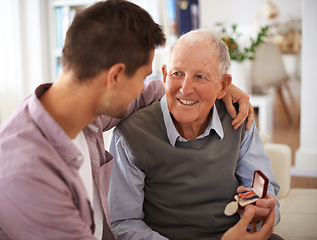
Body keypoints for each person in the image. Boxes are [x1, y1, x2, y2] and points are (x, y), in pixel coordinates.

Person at [0, 1, 257, 239]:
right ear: (115, 77)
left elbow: (154, 92)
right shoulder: (30, 175)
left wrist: (216, 90)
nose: (142, 88)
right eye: (143, 76)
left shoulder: (81, 112)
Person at [108, 29, 282, 240]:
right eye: (177, 73)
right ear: (164, 75)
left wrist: (263, 208)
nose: (185, 88)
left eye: (200, 76)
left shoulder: (238, 119)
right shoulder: (130, 135)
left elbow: (264, 189)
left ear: (224, 86)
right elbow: (124, 224)